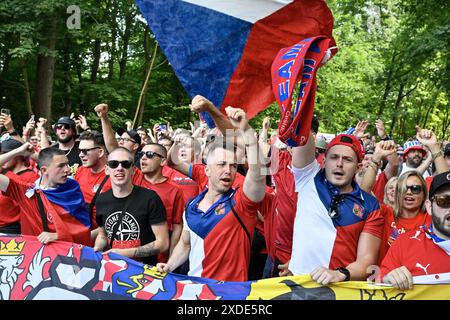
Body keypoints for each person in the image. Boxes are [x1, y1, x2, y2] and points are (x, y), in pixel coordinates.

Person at [157, 106, 266, 282]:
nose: (228, 171)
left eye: (233, 166)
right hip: (196, 290)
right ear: (206, 170)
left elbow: (258, 171)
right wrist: (169, 266)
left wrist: (246, 131)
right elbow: (185, 244)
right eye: (221, 164)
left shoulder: (242, 203)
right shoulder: (192, 206)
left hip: (229, 295)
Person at [285, 132, 384, 285]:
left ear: (358, 167)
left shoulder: (370, 206)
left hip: (339, 289)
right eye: (334, 157)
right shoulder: (308, 177)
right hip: (297, 285)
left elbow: (367, 261)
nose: (339, 163)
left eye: (347, 159)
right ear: (324, 161)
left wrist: (339, 274)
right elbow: (304, 133)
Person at [0, 145, 91, 245]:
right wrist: (17, 151)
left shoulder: (72, 187)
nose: (67, 170)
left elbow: (83, 227)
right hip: (37, 256)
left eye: (67, 164)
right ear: (44, 170)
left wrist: (58, 235)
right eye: (61, 166)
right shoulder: (26, 192)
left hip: (69, 254)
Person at [94, 147, 169, 266]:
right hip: (112, 268)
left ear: (133, 170)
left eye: (125, 164)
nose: (119, 168)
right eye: (113, 164)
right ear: (107, 169)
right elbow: (103, 234)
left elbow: (163, 243)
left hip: (142, 272)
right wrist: (97, 249)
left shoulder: (150, 198)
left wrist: (125, 253)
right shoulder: (102, 199)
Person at [381, 170, 450, 290]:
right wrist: (387, 279)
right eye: (443, 201)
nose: (409, 192)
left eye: (415, 189)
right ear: (429, 207)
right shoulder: (402, 243)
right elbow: (379, 279)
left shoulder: (427, 218)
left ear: (423, 195)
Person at [133, 143, 185, 261]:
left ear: (162, 162)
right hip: (129, 254)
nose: (143, 158)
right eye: (141, 154)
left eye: (150, 154)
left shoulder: (175, 190)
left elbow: (177, 225)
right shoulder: (133, 178)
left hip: (158, 257)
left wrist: (171, 257)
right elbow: (114, 149)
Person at [74, 130, 109, 238]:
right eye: (79, 150)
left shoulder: (115, 176)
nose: (80, 155)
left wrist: (84, 238)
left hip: (102, 240)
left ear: (100, 152)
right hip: (81, 232)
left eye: (85, 151)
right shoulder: (80, 171)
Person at [0, 138, 39, 234]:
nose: (4, 157)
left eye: (6, 153)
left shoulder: (31, 177)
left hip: (13, 231)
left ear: (18, 155)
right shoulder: (4, 173)